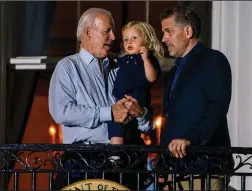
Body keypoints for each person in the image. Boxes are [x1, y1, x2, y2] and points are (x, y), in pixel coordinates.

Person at [48, 8, 153, 189]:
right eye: (107, 31)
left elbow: (146, 117)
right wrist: (109, 113)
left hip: (127, 160)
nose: (113, 37)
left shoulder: (120, 65)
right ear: (88, 32)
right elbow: (61, 112)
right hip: (84, 162)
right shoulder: (67, 67)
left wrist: (141, 113)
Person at [158, 5, 234, 190]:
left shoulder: (213, 60)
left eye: (168, 31)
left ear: (188, 31)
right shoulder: (174, 70)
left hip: (204, 166)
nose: (163, 38)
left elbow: (216, 107)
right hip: (173, 171)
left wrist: (191, 140)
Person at [108, 21, 163, 149]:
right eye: (126, 39)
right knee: (116, 122)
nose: (129, 42)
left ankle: (121, 151)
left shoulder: (148, 59)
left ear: (147, 41)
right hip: (120, 97)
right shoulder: (124, 59)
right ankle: (115, 153)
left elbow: (151, 77)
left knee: (128, 123)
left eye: (134, 38)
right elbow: (114, 59)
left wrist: (145, 59)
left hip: (137, 96)